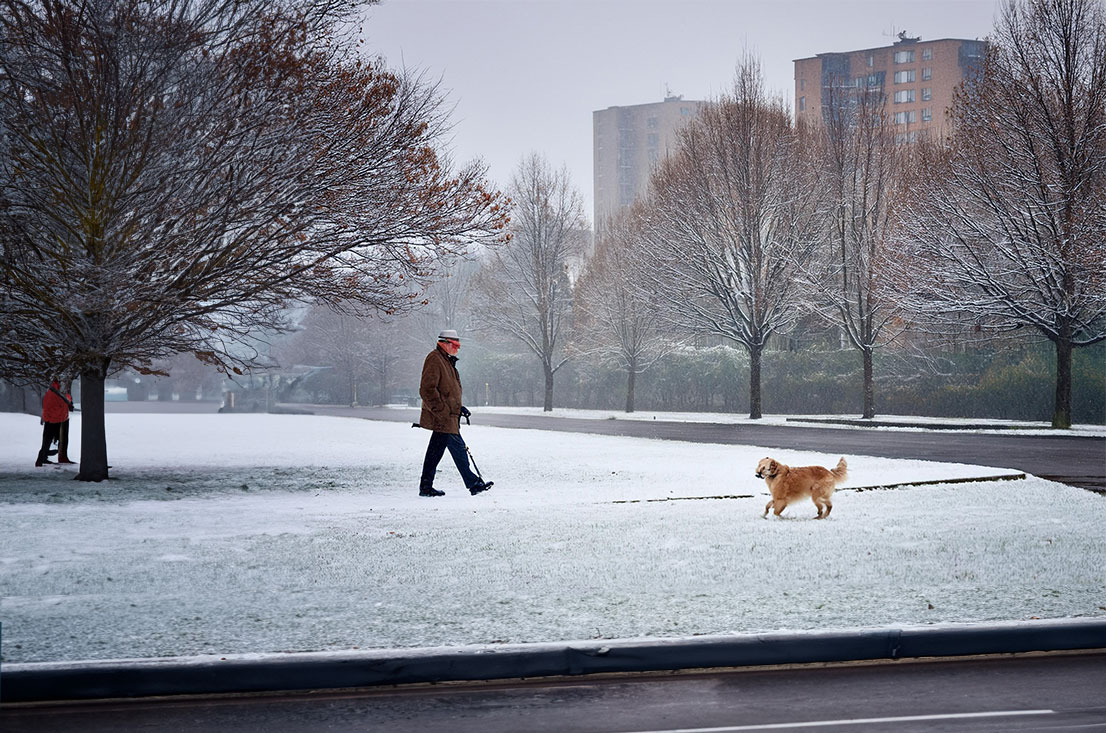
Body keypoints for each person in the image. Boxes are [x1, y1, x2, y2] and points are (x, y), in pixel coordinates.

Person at [416, 329, 493, 497]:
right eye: (455, 345)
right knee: (448, 451)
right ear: (444, 343)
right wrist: (442, 410)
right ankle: (472, 484)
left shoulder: (446, 361)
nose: (458, 349)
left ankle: (428, 486)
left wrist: (459, 408)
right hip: (443, 417)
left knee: (439, 452)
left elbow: (448, 391)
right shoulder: (435, 359)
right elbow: (427, 389)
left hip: (449, 416)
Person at [36, 379, 73, 467]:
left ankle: (43, 458)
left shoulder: (54, 393)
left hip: (56, 419)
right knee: (50, 440)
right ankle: (41, 458)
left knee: (49, 440)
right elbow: (60, 404)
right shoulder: (54, 393)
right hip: (54, 420)